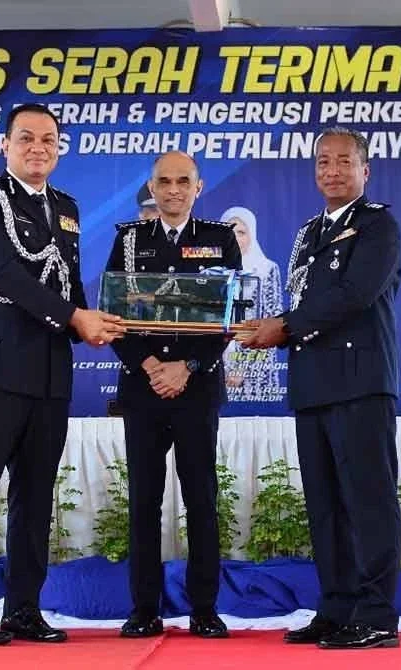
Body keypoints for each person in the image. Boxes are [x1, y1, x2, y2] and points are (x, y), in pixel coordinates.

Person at [0, 103, 125, 646]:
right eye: (26, 138)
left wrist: (101, 325)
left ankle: (23, 608)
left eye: (49, 139)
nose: (38, 148)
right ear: (6, 144)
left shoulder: (65, 206)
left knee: (35, 496)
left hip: (48, 373)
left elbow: (67, 283)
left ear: (60, 148)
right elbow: (0, 271)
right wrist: (74, 318)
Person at [241, 127, 401, 650]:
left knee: (369, 503)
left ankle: (376, 614)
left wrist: (283, 327)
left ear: (365, 170)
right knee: (326, 507)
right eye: (323, 162)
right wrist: (269, 325)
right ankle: (336, 608)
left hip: (359, 383)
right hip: (312, 385)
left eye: (344, 162)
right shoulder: (310, 232)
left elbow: (354, 294)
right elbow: (304, 299)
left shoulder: (378, 225)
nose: (332, 171)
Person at [105, 151, 241, 639]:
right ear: (152, 187)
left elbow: (228, 317)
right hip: (142, 390)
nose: (174, 190)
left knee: (201, 498)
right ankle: (144, 609)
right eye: (164, 181)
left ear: (198, 188)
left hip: (197, 388)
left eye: (184, 181)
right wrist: (150, 366)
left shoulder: (220, 239)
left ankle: (203, 608)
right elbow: (113, 317)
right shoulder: (129, 240)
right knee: (144, 500)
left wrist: (187, 366)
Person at [219, 206, 283, 400]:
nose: (236, 238)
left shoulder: (267, 269)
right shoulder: (212, 271)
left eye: (241, 232)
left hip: (257, 365)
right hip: (217, 363)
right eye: (230, 231)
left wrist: (242, 367)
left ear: (252, 234)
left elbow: (274, 321)